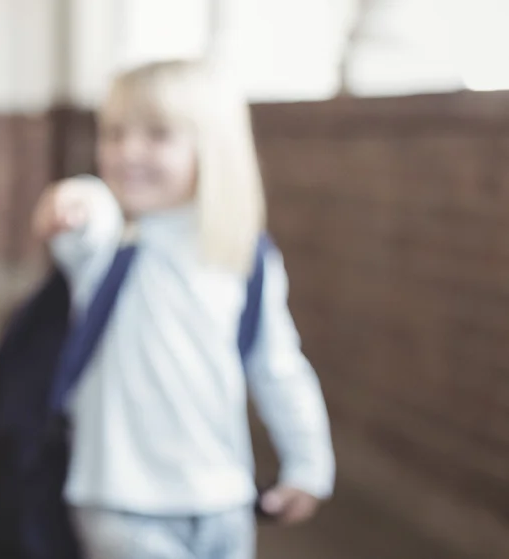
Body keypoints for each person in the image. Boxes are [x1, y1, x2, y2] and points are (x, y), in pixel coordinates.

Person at [32, 60, 335, 559]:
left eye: (157, 135)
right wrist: (72, 198)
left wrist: (309, 462)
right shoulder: (108, 244)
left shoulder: (243, 257)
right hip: (119, 501)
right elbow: (84, 210)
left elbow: (278, 368)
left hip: (223, 503)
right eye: (114, 134)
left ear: (213, 148)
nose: (129, 151)